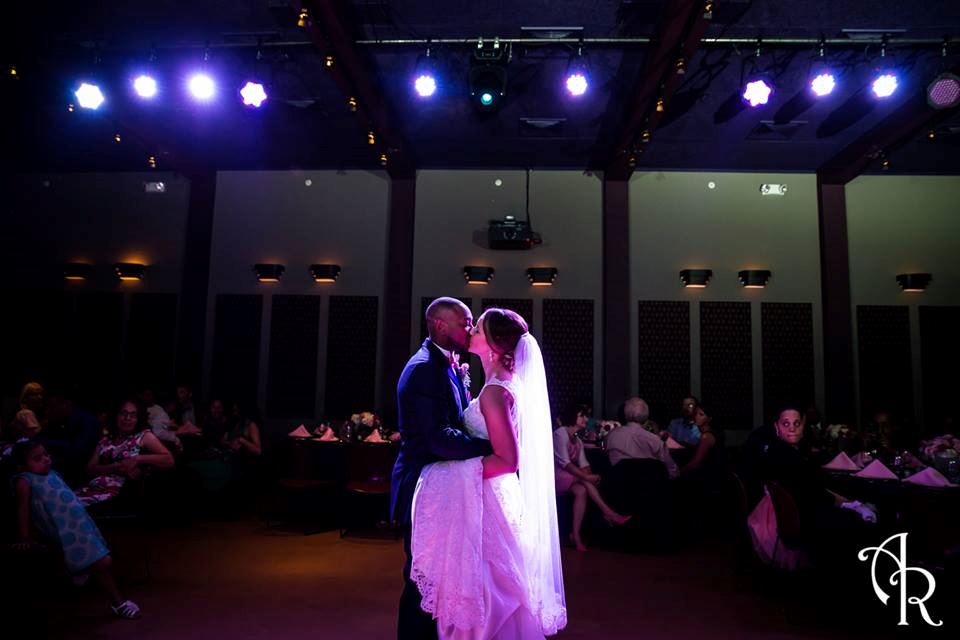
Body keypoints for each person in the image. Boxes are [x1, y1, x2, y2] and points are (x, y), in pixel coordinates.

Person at [409, 307, 567, 638]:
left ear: (494, 344)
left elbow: (508, 460)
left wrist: (447, 473)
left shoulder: (495, 391)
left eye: (478, 328)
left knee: (486, 587)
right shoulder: (500, 385)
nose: (471, 332)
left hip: (488, 500)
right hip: (492, 494)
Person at [392, 298, 495, 640]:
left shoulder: (448, 363)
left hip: (444, 485)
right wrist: (490, 448)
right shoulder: (424, 369)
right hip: (422, 486)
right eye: (464, 323)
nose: (470, 329)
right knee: (421, 577)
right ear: (439, 325)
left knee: (439, 576)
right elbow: (438, 438)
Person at [11, 441, 141, 619]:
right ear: (22, 465)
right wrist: (24, 536)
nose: (46, 459)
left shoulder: (52, 473)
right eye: (37, 458)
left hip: (80, 525)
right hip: (65, 533)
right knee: (101, 563)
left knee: (99, 560)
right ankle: (118, 603)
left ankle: (81, 571)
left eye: (46, 455)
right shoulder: (25, 480)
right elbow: (22, 509)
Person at [553, 410, 631, 552]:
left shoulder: (577, 440)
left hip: (568, 478)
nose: (586, 419)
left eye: (586, 416)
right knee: (585, 480)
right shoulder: (560, 434)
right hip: (555, 477)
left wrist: (591, 477)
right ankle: (608, 512)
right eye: (581, 415)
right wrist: (588, 478)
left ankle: (575, 535)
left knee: (582, 490)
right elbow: (565, 464)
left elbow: (584, 464)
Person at [75, 399, 175, 506]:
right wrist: (116, 466)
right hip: (91, 488)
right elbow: (90, 469)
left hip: (114, 495)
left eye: (133, 415)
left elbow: (169, 459)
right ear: (116, 416)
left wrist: (137, 458)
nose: (127, 418)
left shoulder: (144, 436)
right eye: (123, 413)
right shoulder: (106, 439)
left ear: (138, 418)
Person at [606, 398, 679, 478]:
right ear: (646, 417)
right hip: (650, 484)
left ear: (625, 414)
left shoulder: (611, 435)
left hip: (618, 483)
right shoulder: (655, 441)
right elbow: (673, 472)